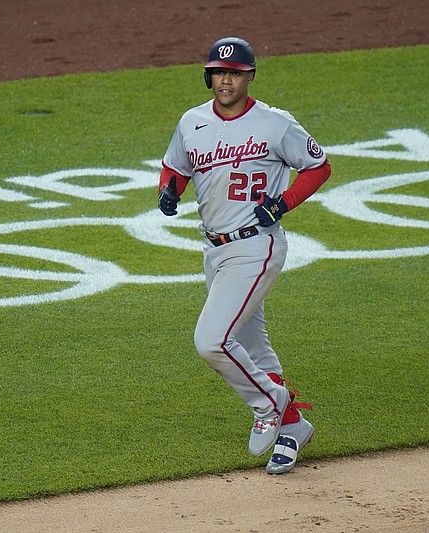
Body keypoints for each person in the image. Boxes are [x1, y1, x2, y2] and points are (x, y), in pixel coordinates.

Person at [157, 36, 331, 474]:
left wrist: (283, 202)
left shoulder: (275, 123)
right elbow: (176, 166)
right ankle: (293, 428)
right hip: (213, 249)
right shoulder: (191, 121)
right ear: (208, 76)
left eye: (234, 73)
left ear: (249, 76)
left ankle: (270, 404)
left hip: (256, 245)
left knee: (211, 341)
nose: (226, 80)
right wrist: (168, 189)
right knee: (252, 344)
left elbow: (318, 166)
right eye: (219, 72)